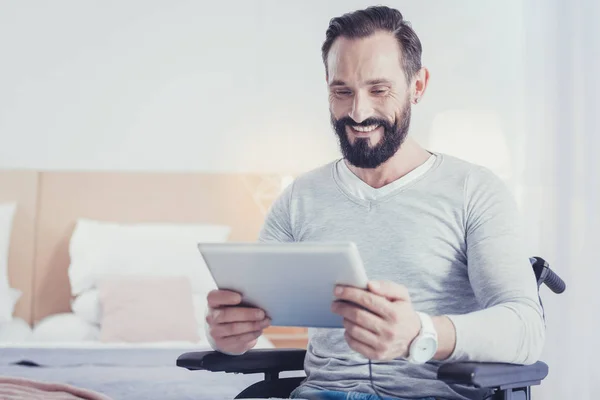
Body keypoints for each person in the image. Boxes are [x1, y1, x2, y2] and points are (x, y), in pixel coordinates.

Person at [205, 6, 545, 400]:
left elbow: (525, 328)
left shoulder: (474, 191)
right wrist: (227, 334)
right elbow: (251, 312)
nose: (358, 111)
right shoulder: (299, 198)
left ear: (417, 86)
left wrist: (422, 332)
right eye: (342, 91)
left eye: (378, 90)